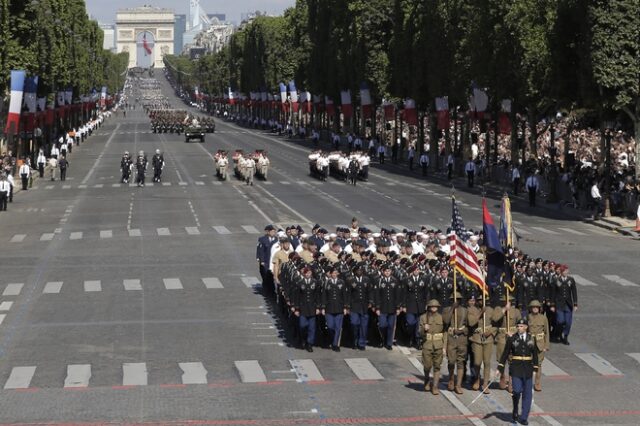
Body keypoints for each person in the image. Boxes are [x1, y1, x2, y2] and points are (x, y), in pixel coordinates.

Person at [496, 318, 539, 425]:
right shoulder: (512, 338)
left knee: (527, 394)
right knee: (516, 390)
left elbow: (535, 354)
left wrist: (535, 368)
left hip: (528, 368)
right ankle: (515, 408)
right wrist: (500, 368)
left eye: (521, 326)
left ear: (526, 327)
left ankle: (524, 417)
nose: (519, 328)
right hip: (516, 367)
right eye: (518, 326)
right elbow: (505, 353)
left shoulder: (531, 338)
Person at [468, 295, 495, 393]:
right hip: (477, 339)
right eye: (479, 300)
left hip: (488, 339)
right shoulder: (471, 310)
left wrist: (491, 331)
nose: (481, 301)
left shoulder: (491, 310)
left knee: (487, 362)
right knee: (477, 362)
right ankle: (477, 378)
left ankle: (485, 384)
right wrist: (481, 313)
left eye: (483, 299)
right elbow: (471, 323)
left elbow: (497, 324)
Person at [442, 291, 468, 394]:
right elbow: (446, 321)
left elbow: (469, 325)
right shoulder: (446, 310)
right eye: (453, 300)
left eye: (457, 300)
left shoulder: (465, 311)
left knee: (461, 362)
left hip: (462, 339)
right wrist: (452, 308)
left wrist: (462, 331)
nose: (456, 301)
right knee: (451, 361)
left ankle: (458, 384)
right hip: (451, 338)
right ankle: (451, 379)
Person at [419, 299, 446, 395]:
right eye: (432, 306)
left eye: (436, 306)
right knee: (427, 366)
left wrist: (444, 346)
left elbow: (445, 332)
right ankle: (427, 380)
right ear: (429, 307)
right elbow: (419, 333)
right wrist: (424, 329)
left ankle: (435, 386)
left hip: (438, 344)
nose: (434, 308)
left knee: (437, 366)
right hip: (427, 344)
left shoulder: (442, 317)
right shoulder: (423, 317)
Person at [321, 267, 349, 351]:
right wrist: (323, 307)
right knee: (330, 326)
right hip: (329, 308)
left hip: (339, 308)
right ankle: (331, 339)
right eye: (333, 273)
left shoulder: (342, 282)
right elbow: (324, 295)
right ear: (330, 274)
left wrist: (345, 307)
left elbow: (345, 295)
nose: (334, 274)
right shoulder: (326, 282)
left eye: (336, 273)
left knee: (338, 327)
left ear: (338, 274)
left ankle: (335, 344)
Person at [550, 265, 577, 345]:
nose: (566, 272)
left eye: (567, 271)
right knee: (560, 320)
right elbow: (553, 293)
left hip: (568, 304)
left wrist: (575, 304)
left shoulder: (571, 280)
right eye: (565, 271)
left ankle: (565, 336)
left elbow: (574, 292)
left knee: (568, 322)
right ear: (561, 272)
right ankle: (558, 333)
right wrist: (552, 305)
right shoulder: (556, 280)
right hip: (559, 304)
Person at [527, 300, 549, 391]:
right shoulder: (528, 317)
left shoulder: (543, 318)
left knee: (538, 365)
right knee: (528, 363)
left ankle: (537, 383)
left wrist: (546, 345)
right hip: (530, 343)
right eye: (533, 307)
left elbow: (547, 332)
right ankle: (527, 383)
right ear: (531, 308)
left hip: (540, 344)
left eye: (537, 307)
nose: (535, 308)